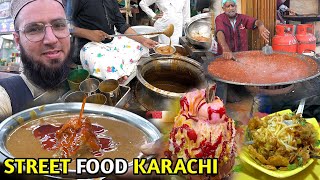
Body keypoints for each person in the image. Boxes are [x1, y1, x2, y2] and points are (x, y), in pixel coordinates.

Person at [0, 0, 72, 121]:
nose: (51, 39)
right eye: (34, 29)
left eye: (59, 25)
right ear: (17, 41)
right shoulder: (6, 97)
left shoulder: (84, 78)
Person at [71, 0, 158, 81]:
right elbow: (63, 26)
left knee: (140, 46)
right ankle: (117, 75)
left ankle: (122, 72)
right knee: (109, 65)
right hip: (89, 45)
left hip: (112, 40)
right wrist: (89, 33)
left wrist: (143, 40)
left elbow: (121, 25)